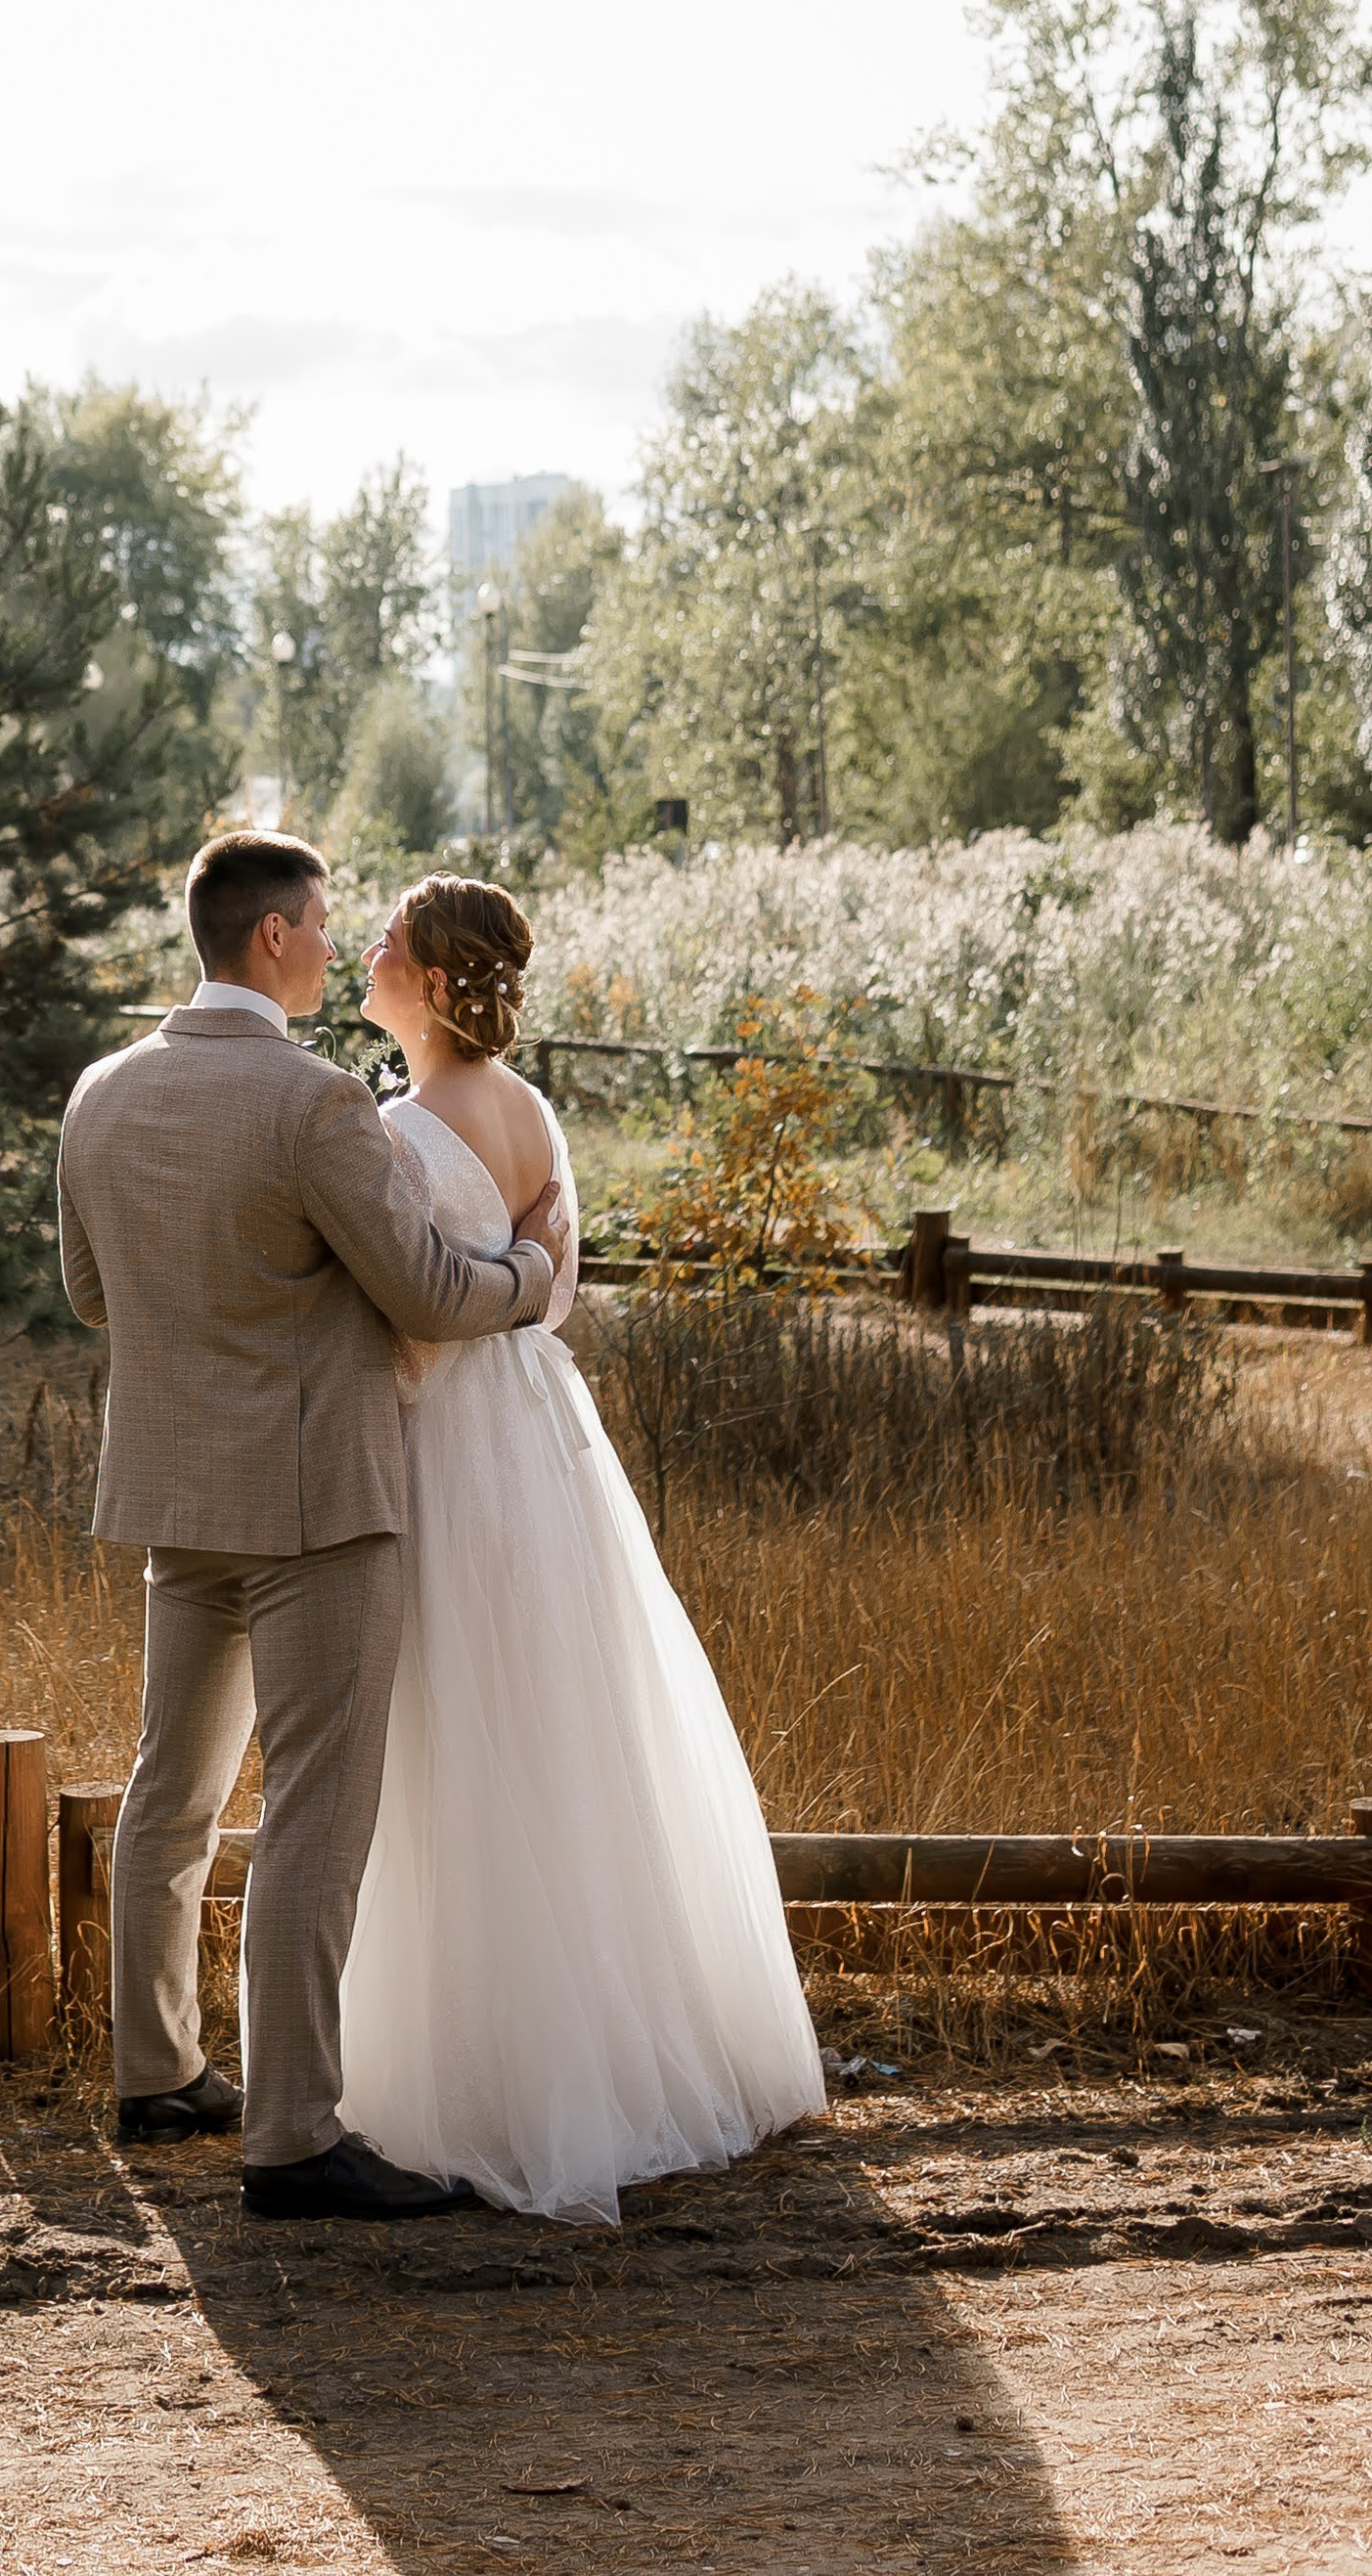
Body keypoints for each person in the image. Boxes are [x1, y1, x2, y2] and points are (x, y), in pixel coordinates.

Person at [55, 829, 568, 2222]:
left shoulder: (99, 1096)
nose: (339, 947)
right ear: (272, 940)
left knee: (172, 1792)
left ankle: (157, 2074)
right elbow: (421, 1293)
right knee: (313, 1819)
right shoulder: (318, 1104)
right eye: (326, 926)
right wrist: (532, 1271)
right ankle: (292, 2137)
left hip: (175, 1496)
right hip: (317, 1509)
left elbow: (95, 1296)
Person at [335, 873, 826, 2221]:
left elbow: (419, 1326)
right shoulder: (530, 1108)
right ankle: (616, 2051)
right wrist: (522, 1292)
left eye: (387, 940)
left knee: (464, 1730)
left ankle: (494, 2080)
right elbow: (549, 1290)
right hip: (544, 1437)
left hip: (452, 1444)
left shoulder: (398, 1128)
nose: (367, 950)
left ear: (434, 981)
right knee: (562, 1720)